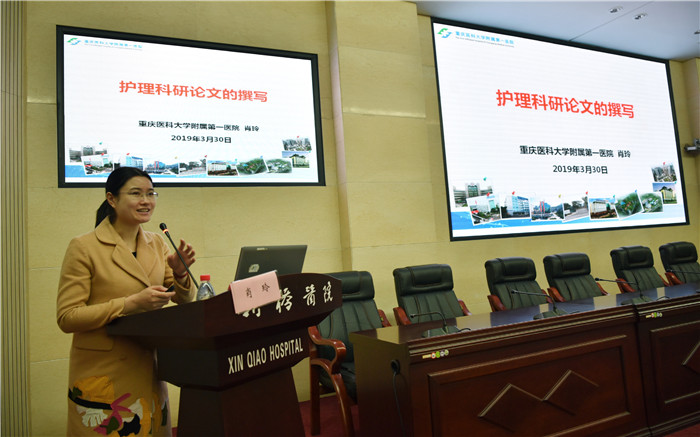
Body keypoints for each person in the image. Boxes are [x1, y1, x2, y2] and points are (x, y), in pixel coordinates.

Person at [57, 166, 195, 436]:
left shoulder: (157, 243)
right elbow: (67, 317)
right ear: (111, 199)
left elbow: (183, 299)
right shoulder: (84, 246)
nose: (146, 201)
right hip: (105, 373)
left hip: (148, 365)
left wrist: (180, 273)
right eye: (136, 194)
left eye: (151, 193)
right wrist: (129, 304)